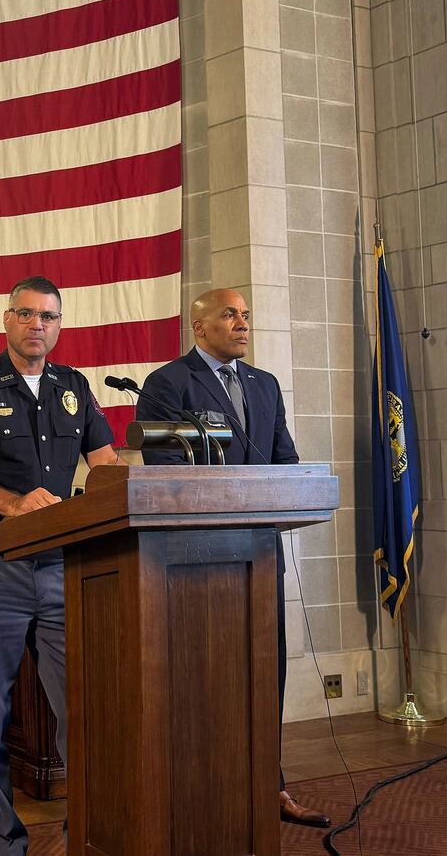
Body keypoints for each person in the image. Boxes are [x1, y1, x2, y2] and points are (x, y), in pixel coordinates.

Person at [0, 276, 121, 855]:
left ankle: (88, 833)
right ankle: (3, 845)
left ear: (59, 325)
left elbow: (105, 463)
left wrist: (122, 492)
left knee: (83, 713)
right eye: (27, 314)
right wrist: (16, 505)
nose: (38, 324)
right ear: (7, 319)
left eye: (49, 316)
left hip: (65, 569)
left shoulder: (74, 387)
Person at [136, 288, 331, 829]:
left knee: (265, 671)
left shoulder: (264, 386)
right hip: (199, 560)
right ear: (199, 328)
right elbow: (166, 468)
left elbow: (285, 461)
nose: (242, 323)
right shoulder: (167, 384)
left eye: (246, 314)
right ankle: (201, 789)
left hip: (260, 553)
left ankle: (271, 786)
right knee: (204, 674)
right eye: (229, 314)